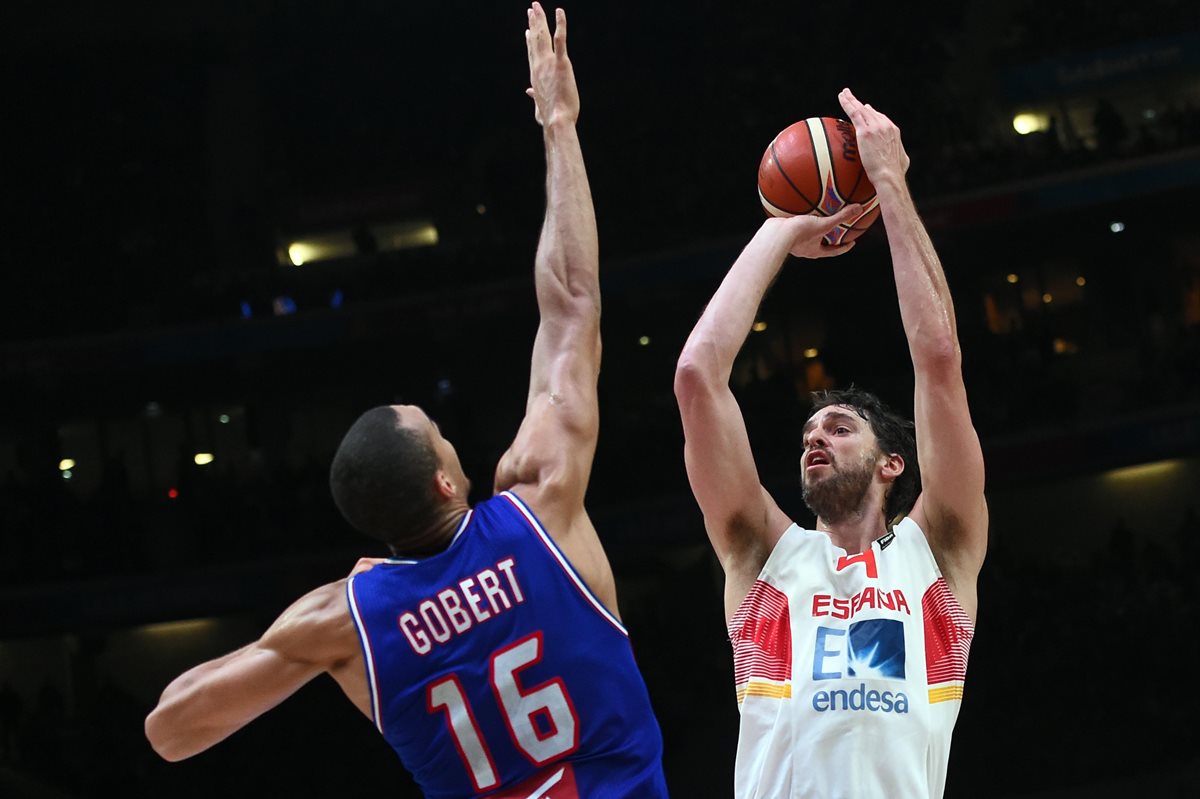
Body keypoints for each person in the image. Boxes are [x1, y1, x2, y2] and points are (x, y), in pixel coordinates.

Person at [144, 6, 670, 798]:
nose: (448, 434)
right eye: (438, 433)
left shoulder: (348, 618)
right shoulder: (539, 502)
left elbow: (170, 729)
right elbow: (571, 304)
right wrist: (559, 125)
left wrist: (322, 629)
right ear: (445, 481)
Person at [673, 88, 988, 799]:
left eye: (841, 428)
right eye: (810, 432)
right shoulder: (762, 555)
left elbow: (937, 355)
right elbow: (697, 374)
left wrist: (892, 186)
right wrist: (784, 228)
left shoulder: (939, 548)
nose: (816, 438)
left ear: (892, 463)